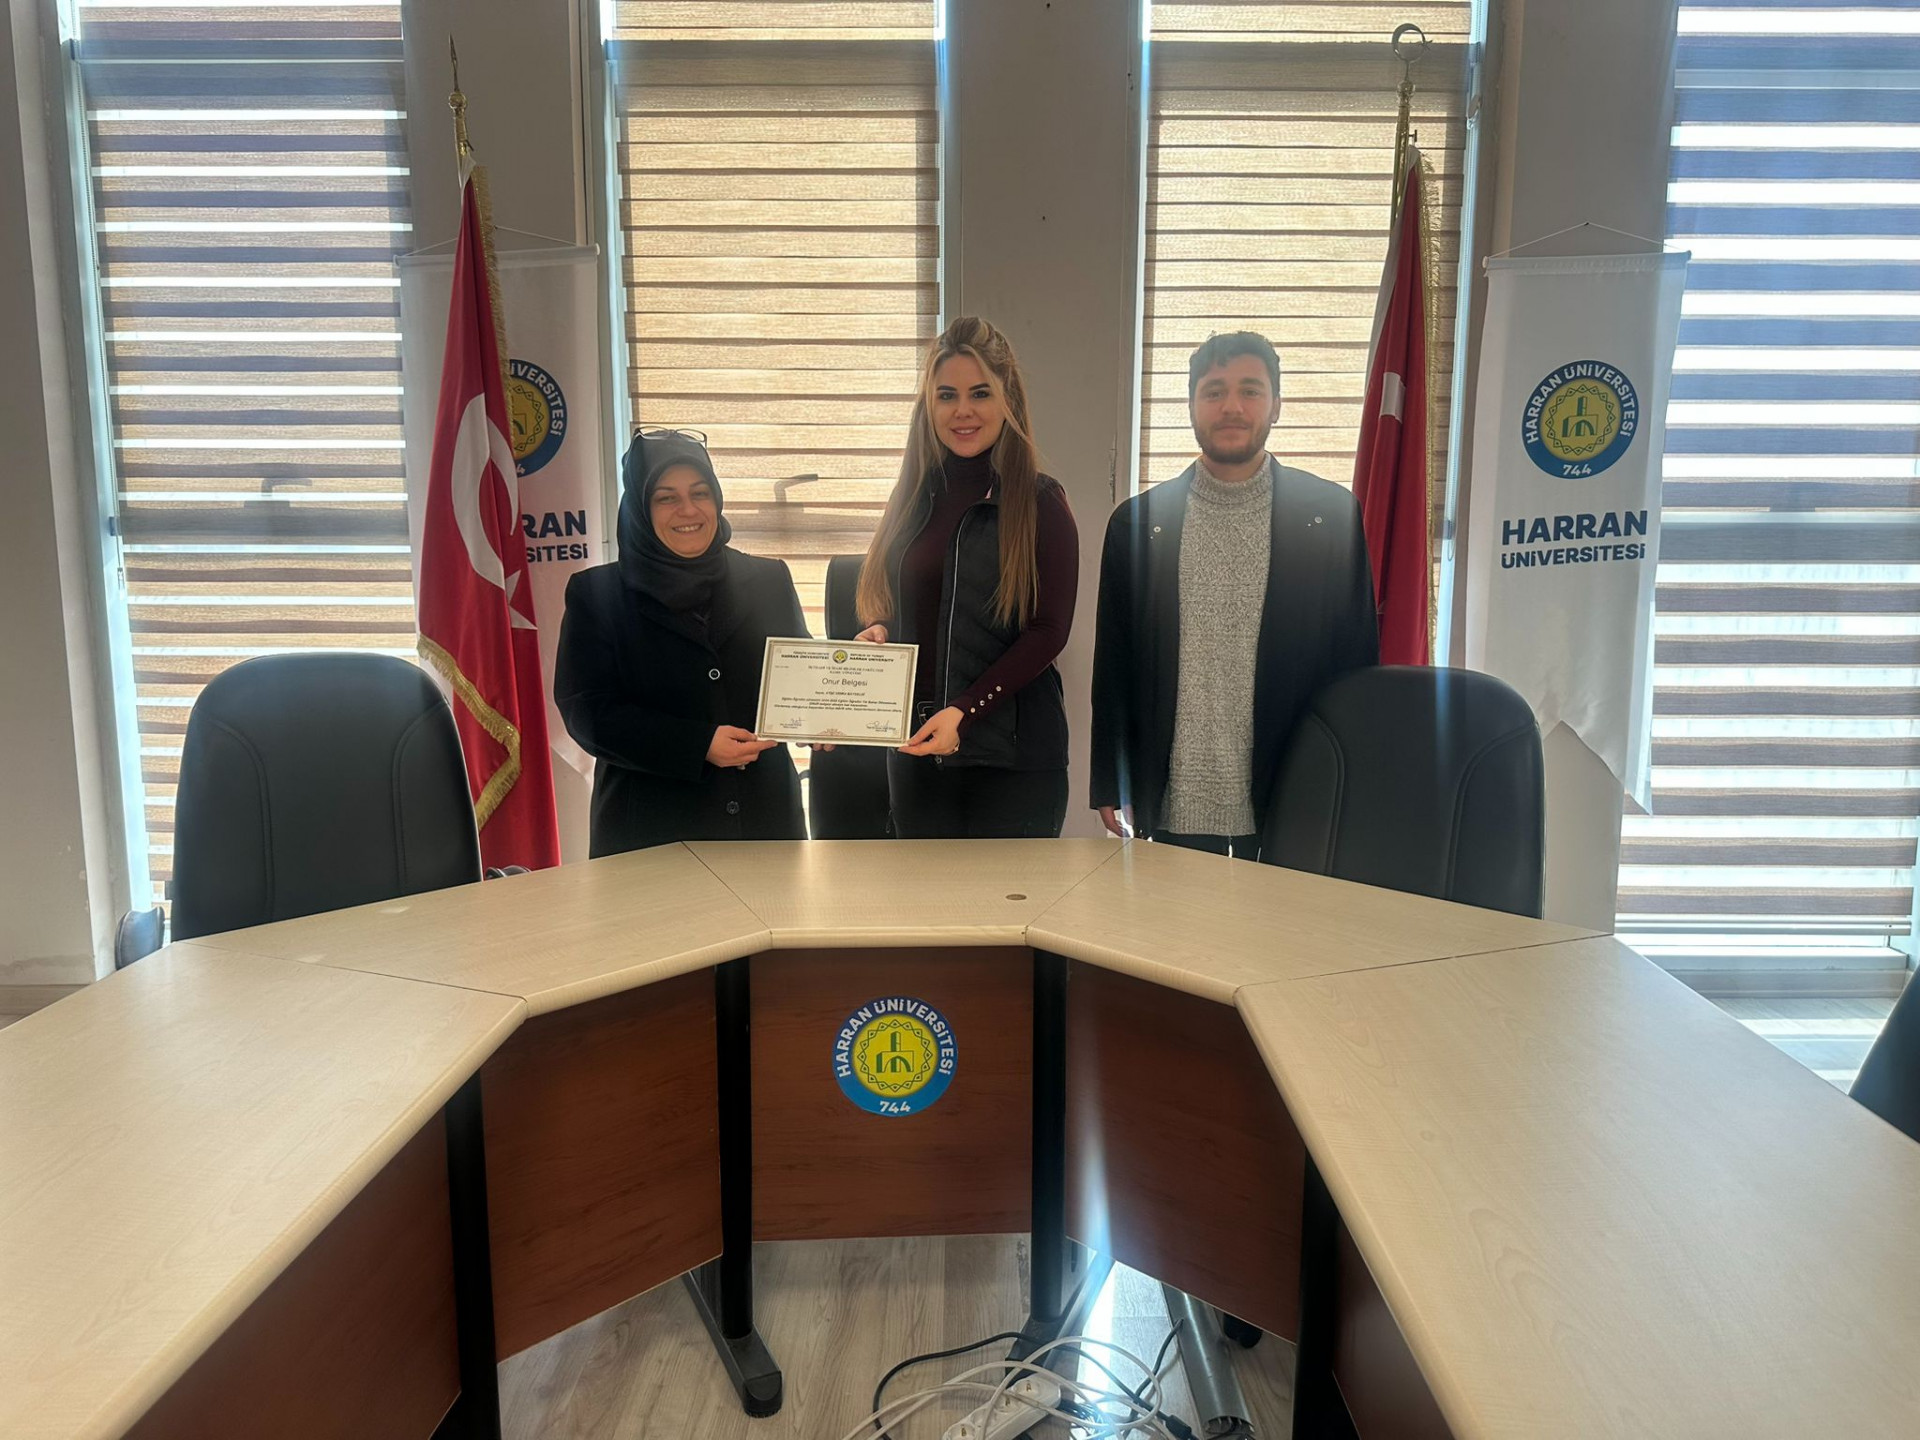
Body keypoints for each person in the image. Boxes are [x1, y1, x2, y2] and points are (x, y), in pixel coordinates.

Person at [1089, 332, 1378, 859]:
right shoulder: (1138, 525)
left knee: (1281, 917)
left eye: (1250, 390)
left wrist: (1350, 782)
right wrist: (1110, 776)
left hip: (1293, 795)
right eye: (1214, 390)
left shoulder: (1331, 519)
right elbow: (1114, 666)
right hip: (1171, 801)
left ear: (1276, 405)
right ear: (1191, 405)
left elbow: (1355, 665)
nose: (1231, 406)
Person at [852, 317, 1079, 838]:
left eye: (980, 393)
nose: (963, 411)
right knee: (922, 893)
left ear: (1007, 400)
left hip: (1014, 762)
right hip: (917, 753)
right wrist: (879, 632)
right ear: (928, 407)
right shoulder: (912, 498)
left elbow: (1049, 631)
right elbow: (898, 604)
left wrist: (964, 711)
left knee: (1008, 895)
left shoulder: (1041, 501)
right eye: (946, 395)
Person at [555, 429, 808, 856]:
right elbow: (587, 713)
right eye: (666, 497)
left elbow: (800, 676)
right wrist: (697, 745)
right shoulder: (597, 594)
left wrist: (845, 681)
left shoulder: (769, 579)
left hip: (765, 825)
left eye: (700, 493)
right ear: (639, 508)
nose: (688, 510)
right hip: (651, 836)